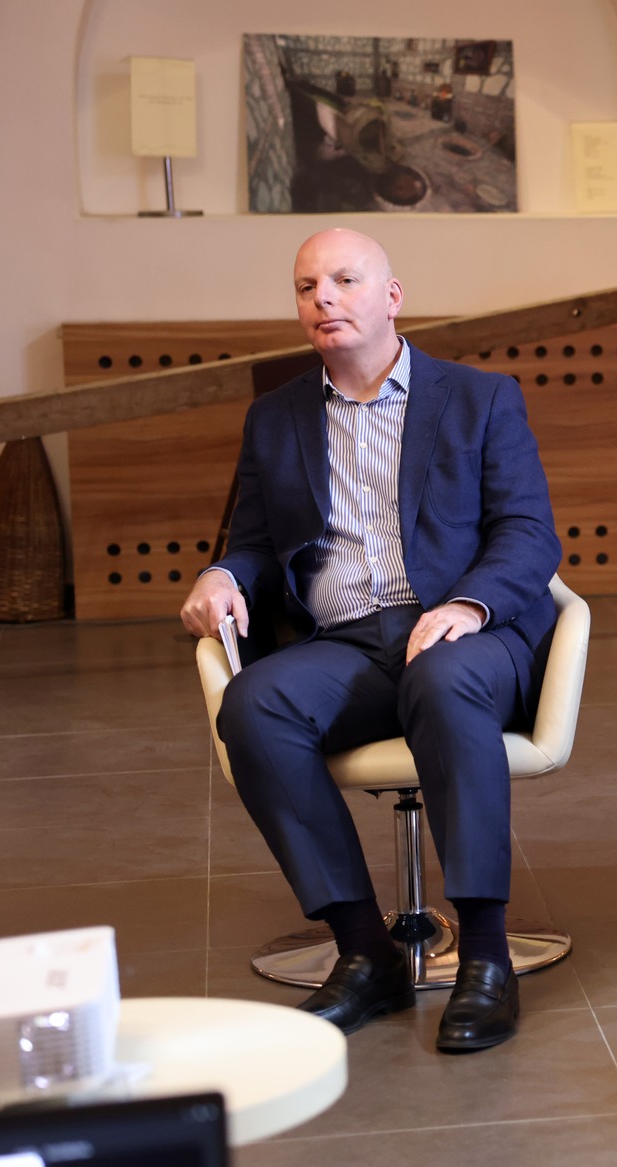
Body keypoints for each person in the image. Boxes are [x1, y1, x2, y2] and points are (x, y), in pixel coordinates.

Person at [181, 228, 560, 1053]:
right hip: (346, 643)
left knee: (442, 680)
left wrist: (469, 606)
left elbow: (530, 533)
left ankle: (485, 955)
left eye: (345, 280)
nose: (323, 297)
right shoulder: (275, 416)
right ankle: (364, 951)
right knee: (253, 705)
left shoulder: (479, 398)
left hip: (464, 633)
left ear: (392, 297)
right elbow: (253, 542)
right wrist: (222, 574)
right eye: (307, 285)